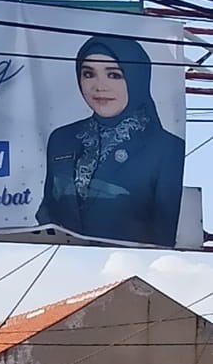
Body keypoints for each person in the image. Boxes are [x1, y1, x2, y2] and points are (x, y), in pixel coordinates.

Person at [35, 34, 185, 247]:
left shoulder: (167, 149)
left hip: (133, 266)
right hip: (67, 267)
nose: (99, 86)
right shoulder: (62, 139)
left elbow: (166, 229)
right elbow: (48, 209)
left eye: (114, 75)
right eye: (89, 74)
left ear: (137, 78)